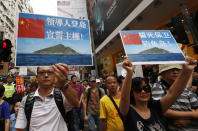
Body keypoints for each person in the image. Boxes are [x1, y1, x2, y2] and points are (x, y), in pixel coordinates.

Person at [119, 56, 197, 131]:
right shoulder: (128, 111)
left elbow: (172, 93)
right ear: (131, 93)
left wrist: (187, 70)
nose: (143, 91)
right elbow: (124, 98)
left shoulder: (155, 107)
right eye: (137, 89)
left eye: (146, 88)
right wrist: (129, 73)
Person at [15, 63, 79, 131]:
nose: (46, 75)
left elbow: (76, 103)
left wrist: (64, 84)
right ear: (37, 77)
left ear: (55, 76)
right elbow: (20, 128)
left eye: (50, 72)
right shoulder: (26, 100)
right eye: (42, 72)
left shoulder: (62, 95)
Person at [152, 64, 198, 130]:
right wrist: (192, 115)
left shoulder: (185, 88)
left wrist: (189, 120)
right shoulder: (158, 86)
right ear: (162, 73)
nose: (175, 72)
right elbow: (161, 110)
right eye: (170, 69)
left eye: (178, 69)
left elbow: (196, 106)